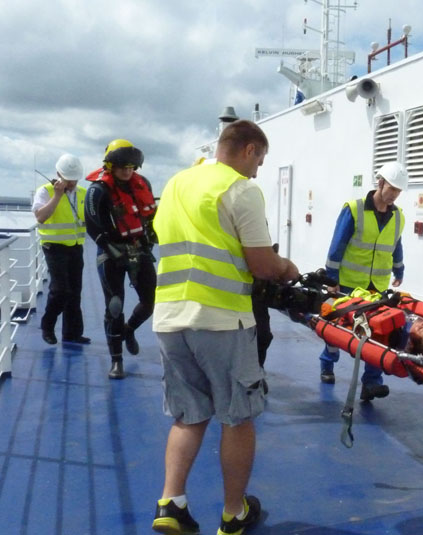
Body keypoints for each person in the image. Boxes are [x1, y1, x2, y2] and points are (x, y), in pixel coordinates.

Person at [150, 119, 299, 535]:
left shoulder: (178, 182)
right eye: (261, 161)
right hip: (220, 321)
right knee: (237, 417)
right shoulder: (240, 188)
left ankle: (171, 503)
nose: (259, 171)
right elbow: (262, 264)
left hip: (169, 318)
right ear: (249, 150)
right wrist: (287, 268)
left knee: (188, 415)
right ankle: (234, 513)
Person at [320, 162, 407, 401]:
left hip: (377, 286)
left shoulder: (398, 216)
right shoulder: (354, 209)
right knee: (336, 329)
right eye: (392, 188)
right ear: (380, 183)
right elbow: (337, 245)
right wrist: (331, 278)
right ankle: (327, 364)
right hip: (349, 283)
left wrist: (399, 270)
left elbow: (395, 245)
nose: (394, 195)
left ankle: (371, 382)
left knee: (379, 333)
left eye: (399, 191)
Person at [85, 139, 157, 379]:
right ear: (110, 165)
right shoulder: (98, 190)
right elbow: (93, 227)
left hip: (139, 248)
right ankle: (116, 361)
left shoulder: (142, 184)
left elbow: (149, 218)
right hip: (110, 252)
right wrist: (110, 248)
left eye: (131, 166)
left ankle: (129, 330)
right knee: (114, 307)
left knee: (150, 301)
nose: (128, 170)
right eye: (122, 166)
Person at [33, 153, 90, 345]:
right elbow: (41, 217)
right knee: (60, 290)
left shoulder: (82, 193)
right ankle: (47, 326)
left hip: (75, 246)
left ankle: (72, 333)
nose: (72, 183)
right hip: (54, 246)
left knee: (75, 291)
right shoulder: (45, 191)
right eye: (68, 179)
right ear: (58, 174)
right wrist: (58, 195)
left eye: (74, 179)